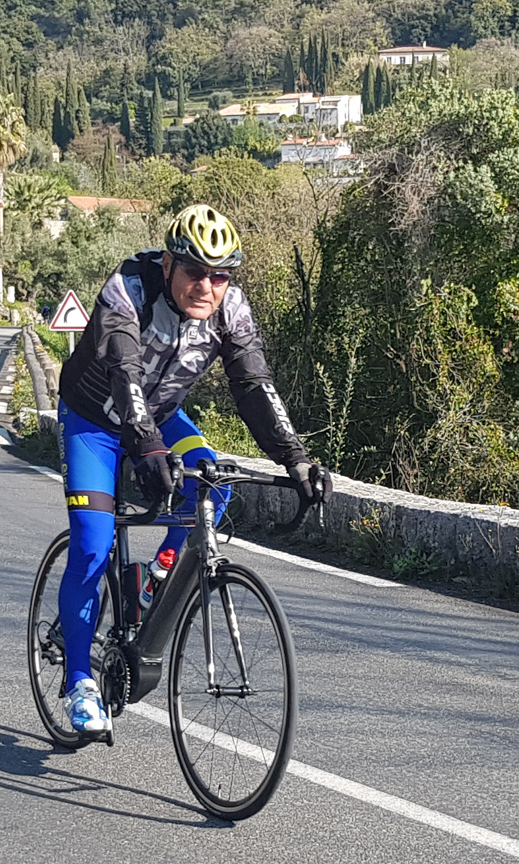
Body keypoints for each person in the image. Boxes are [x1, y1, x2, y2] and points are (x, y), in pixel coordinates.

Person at [54, 203, 329, 734]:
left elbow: (253, 384)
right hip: (93, 420)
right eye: (195, 272)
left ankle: (155, 577)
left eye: (220, 276)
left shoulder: (231, 310)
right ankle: (79, 682)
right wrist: (146, 447)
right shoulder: (129, 288)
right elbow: (125, 371)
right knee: (92, 542)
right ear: (168, 266)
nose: (207, 286)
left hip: (160, 417)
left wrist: (295, 458)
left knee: (213, 482)